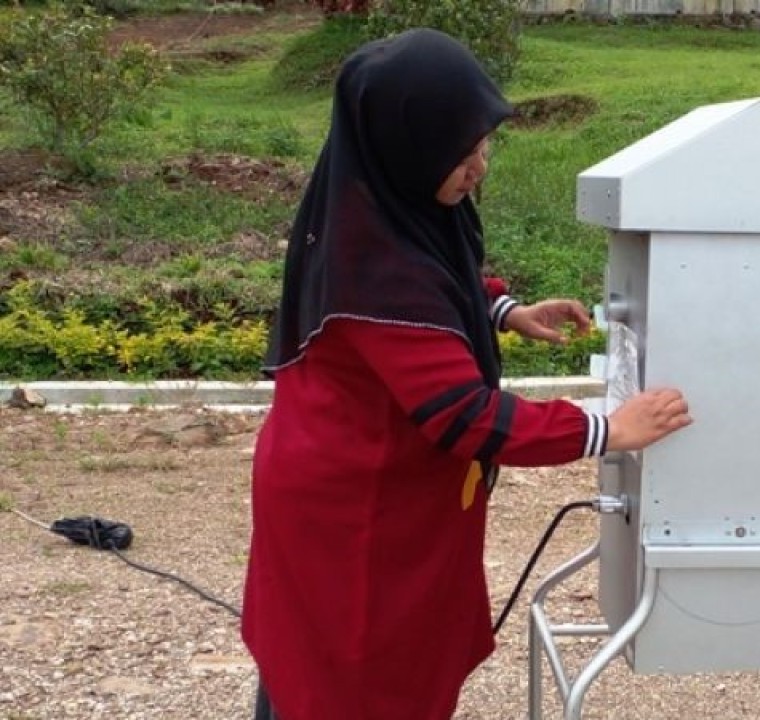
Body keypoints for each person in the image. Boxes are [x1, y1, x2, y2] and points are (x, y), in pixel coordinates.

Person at [241, 29, 692, 720]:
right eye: (461, 150)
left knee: (356, 658)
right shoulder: (375, 275)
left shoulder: (384, 207)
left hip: (381, 484)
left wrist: (505, 310)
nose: (479, 165)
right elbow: (469, 418)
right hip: (353, 509)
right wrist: (608, 429)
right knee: (350, 672)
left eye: (483, 143)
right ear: (408, 146)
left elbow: (443, 280)